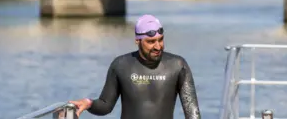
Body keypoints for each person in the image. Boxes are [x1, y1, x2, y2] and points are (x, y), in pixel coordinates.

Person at [69, 14, 201, 119]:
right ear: (137, 40)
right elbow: (105, 106)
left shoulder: (178, 65)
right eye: (151, 42)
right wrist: (89, 103)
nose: (158, 46)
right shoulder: (121, 65)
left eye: (160, 39)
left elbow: (192, 112)